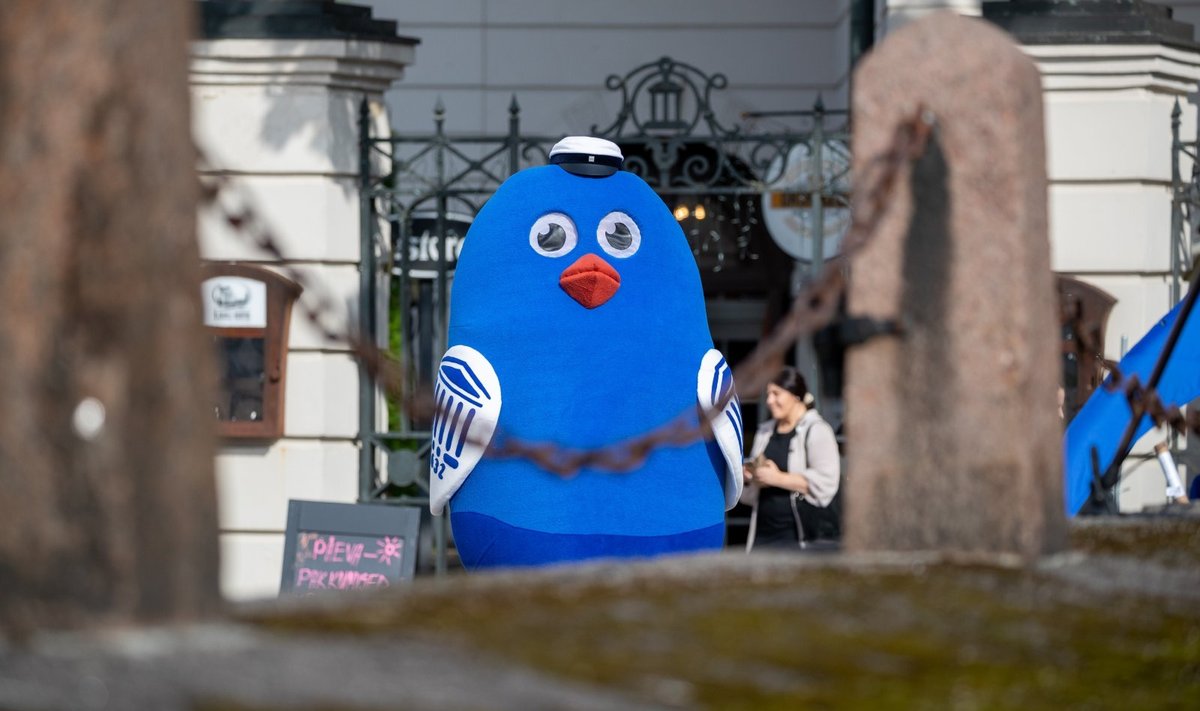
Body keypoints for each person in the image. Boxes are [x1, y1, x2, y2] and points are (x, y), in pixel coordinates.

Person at [741, 367, 841, 550]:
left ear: (795, 395)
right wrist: (750, 477)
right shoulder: (765, 431)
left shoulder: (817, 430)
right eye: (768, 394)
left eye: (776, 393)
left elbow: (826, 483)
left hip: (800, 538)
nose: (769, 401)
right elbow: (749, 497)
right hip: (762, 535)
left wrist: (777, 478)